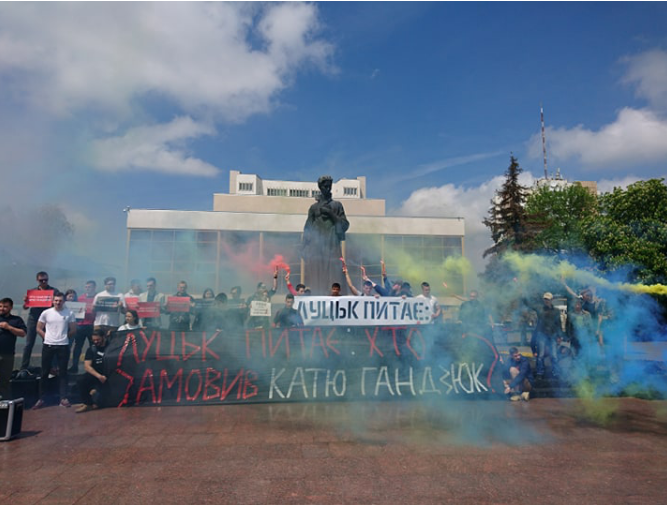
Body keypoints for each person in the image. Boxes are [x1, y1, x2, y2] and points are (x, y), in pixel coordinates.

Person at [301, 175, 350, 295]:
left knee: (334, 273)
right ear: (320, 187)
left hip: (332, 244)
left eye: (329, 186)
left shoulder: (337, 205)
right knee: (317, 275)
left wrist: (331, 214)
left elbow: (344, 225)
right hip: (317, 246)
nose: (327, 188)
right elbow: (307, 228)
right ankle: (319, 295)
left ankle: (335, 296)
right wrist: (304, 247)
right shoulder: (313, 208)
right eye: (325, 186)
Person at [32, 292, 77, 409]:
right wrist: (46, 337)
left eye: (60, 300)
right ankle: (42, 399)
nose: (58, 302)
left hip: (63, 346)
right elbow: (38, 328)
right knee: (44, 372)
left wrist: (65, 337)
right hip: (48, 346)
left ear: (64, 301)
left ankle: (63, 398)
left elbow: (73, 329)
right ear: (53, 301)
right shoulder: (46, 313)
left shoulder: (69, 313)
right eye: (56, 300)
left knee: (63, 373)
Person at [20, 271, 57, 372]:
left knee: (49, 343)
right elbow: (25, 307)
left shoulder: (54, 291)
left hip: (48, 320)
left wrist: (54, 301)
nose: (44, 282)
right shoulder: (32, 292)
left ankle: (50, 366)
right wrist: (26, 301)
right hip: (34, 318)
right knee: (29, 343)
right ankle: (23, 367)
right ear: (37, 280)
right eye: (41, 280)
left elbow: (59, 304)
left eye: (46, 280)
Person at [75, 329, 109, 413]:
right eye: (94, 340)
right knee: (81, 380)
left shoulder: (110, 347)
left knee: (101, 401)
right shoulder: (91, 349)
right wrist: (99, 376)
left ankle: (96, 394)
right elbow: (87, 366)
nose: (96, 342)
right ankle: (87, 403)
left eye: (98, 340)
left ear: (103, 337)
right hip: (97, 375)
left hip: (109, 374)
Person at [0, 298, 27, 400]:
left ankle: (5, 402)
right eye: (0, 306)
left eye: (5, 307)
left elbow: (23, 333)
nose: (2, 308)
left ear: (11, 307)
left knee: (5, 380)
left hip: (8, 355)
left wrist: (9, 327)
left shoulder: (16, 320)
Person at [533, 292, 564, 379]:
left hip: (552, 334)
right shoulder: (540, 310)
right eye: (545, 299)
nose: (546, 301)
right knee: (541, 355)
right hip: (542, 334)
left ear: (552, 300)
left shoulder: (556, 311)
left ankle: (556, 372)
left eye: (548, 299)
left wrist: (559, 336)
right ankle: (540, 372)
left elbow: (559, 323)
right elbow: (530, 305)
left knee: (554, 355)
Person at [70, 280, 97, 373]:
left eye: (90, 287)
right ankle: (74, 366)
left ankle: (93, 367)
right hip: (80, 326)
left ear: (94, 287)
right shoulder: (80, 298)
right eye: (86, 287)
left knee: (93, 347)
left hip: (92, 325)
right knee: (78, 347)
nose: (88, 289)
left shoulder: (97, 298)